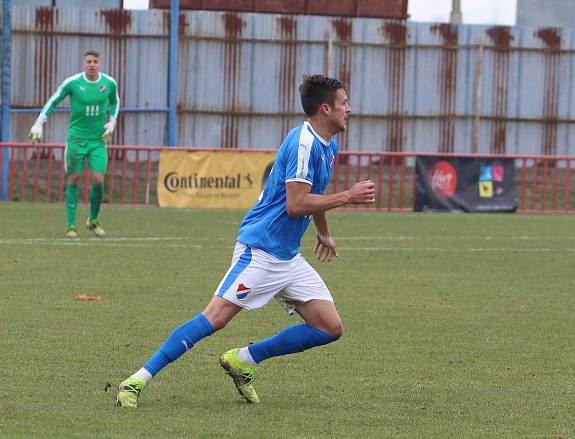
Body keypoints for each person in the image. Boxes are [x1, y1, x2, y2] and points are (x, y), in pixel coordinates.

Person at [115, 74, 375, 408]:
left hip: (288, 258)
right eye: (344, 103)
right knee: (215, 318)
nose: (349, 109)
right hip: (261, 249)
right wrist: (349, 197)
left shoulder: (329, 145)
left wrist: (323, 230)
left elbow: (315, 193)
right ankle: (136, 380)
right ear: (326, 108)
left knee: (329, 327)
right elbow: (296, 204)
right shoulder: (303, 143)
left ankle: (244, 359)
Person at [29, 50, 119, 238]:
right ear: (83, 64)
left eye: (95, 61)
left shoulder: (109, 83)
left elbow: (115, 102)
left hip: (97, 140)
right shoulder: (73, 82)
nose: (92, 64)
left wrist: (112, 122)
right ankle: (71, 226)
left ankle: (93, 221)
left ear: (99, 64)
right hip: (76, 139)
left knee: (98, 180)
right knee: (74, 179)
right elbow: (53, 101)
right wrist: (39, 124)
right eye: (88, 61)